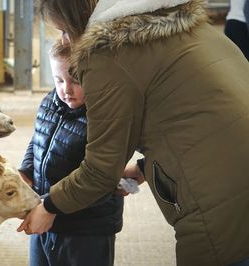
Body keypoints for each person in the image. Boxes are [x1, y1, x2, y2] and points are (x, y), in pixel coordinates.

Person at [17, 0, 249, 265]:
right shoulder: (191, 27)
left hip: (219, 196)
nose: (66, 41)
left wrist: (49, 206)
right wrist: (142, 168)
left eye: (65, 31)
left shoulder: (107, 55)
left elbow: (100, 172)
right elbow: (196, 118)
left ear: (78, 18)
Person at [18, 40, 124, 266]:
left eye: (76, 80)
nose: (66, 89)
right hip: (44, 215)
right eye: (58, 80)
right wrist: (27, 170)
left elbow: (99, 177)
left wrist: (50, 206)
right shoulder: (50, 101)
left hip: (86, 229)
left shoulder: (105, 118)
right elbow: (37, 138)